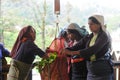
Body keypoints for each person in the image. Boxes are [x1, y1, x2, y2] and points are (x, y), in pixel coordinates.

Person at [61, 15, 113, 80]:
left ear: (99, 24)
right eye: (89, 24)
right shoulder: (89, 36)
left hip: (102, 70)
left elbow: (92, 50)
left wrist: (72, 52)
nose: (89, 26)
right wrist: (66, 50)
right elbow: (78, 45)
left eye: (92, 24)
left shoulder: (104, 36)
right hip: (91, 71)